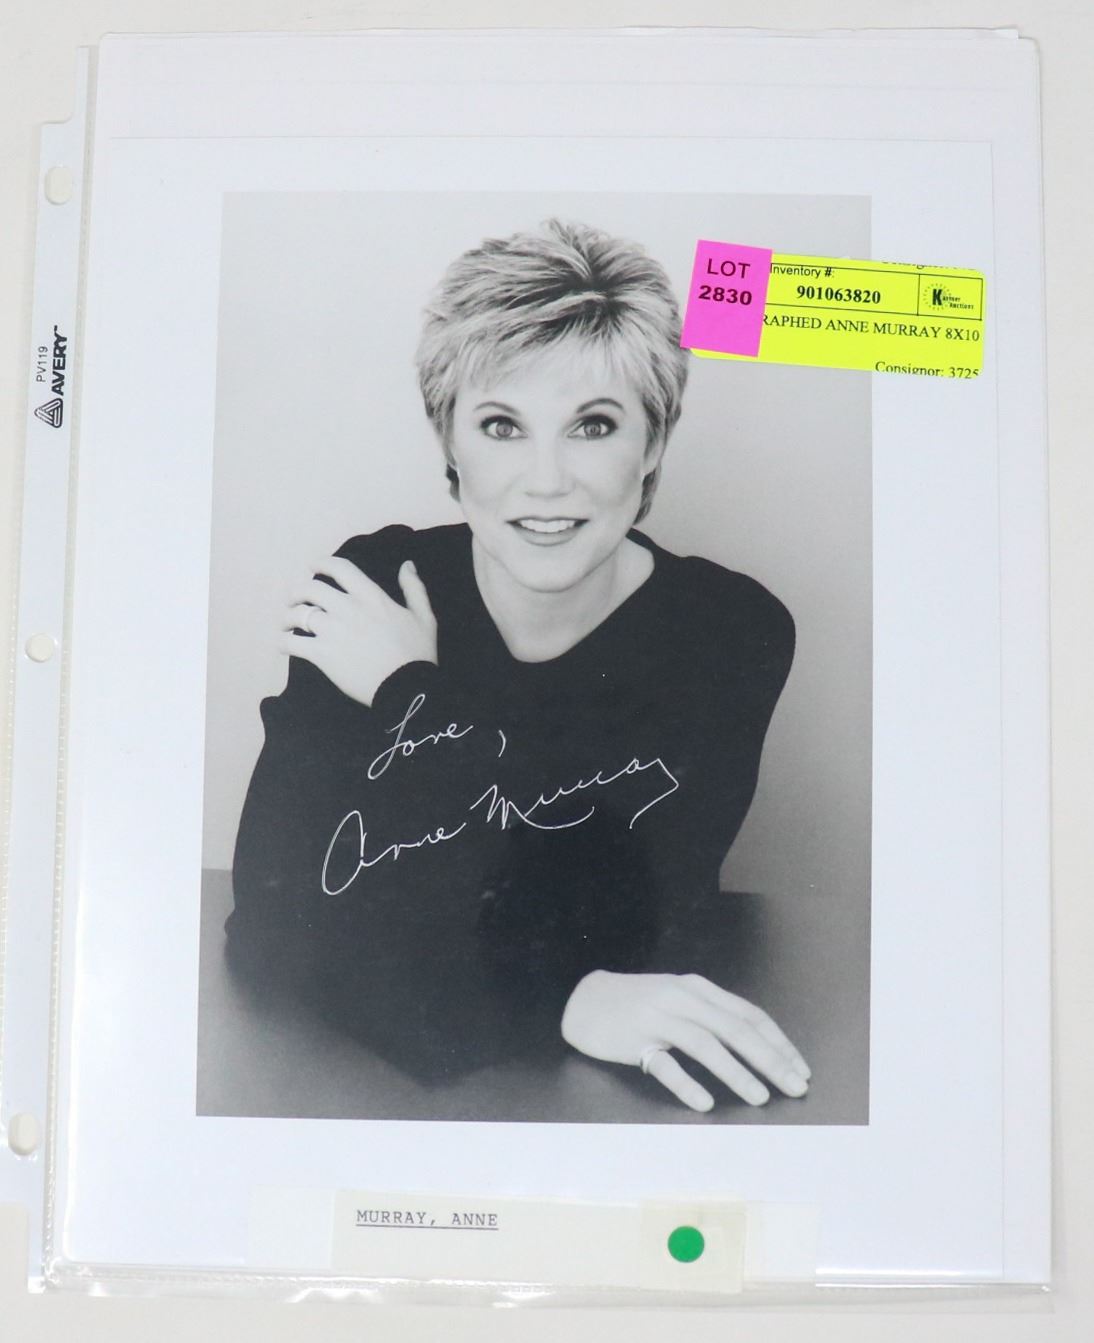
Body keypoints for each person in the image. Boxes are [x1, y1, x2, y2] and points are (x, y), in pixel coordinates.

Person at [226, 218, 810, 1113]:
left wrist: (410, 694)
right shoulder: (377, 586)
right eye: (502, 425)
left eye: (593, 425)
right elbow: (275, 918)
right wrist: (566, 1001)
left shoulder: (730, 632)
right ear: (450, 446)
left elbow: (626, 916)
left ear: (653, 444)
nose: (546, 481)